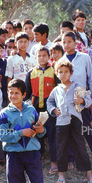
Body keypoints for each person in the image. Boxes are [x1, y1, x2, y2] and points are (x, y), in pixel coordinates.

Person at [47, 60, 92, 183]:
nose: (63, 74)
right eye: (60, 72)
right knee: (61, 147)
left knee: (80, 146)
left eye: (66, 72)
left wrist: (81, 100)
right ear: (57, 74)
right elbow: (50, 102)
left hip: (76, 120)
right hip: (61, 121)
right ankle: (61, 174)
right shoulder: (56, 90)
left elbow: (88, 100)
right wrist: (53, 110)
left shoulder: (77, 86)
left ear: (71, 73)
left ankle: (89, 174)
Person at [0, 79, 47, 183]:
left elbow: (41, 133)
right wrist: (21, 133)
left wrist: (41, 130)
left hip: (32, 154)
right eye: (10, 93)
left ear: (24, 95)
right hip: (14, 156)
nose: (13, 96)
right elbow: (2, 135)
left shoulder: (31, 110)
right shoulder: (4, 113)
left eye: (16, 93)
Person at [58, 31, 92, 169]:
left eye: (69, 41)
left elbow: (91, 79)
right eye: (64, 42)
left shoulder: (84, 58)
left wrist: (89, 98)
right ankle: (71, 159)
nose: (66, 44)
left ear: (75, 42)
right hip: (67, 102)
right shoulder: (61, 61)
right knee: (69, 131)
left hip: (81, 101)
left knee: (88, 131)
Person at [25, 46, 60, 174]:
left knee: (52, 135)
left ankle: (54, 163)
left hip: (50, 109)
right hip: (35, 109)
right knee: (37, 134)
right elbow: (27, 93)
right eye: (39, 56)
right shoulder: (31, 73)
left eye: (44, 55)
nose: (41, 58)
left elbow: (59, 90)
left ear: (49, 56)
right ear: (35, 57)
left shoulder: (54, 71)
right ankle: (37, 159)